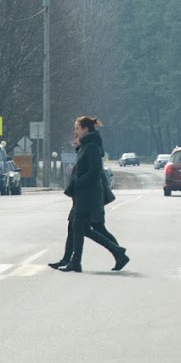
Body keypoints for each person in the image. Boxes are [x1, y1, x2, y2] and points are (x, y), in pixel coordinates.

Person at [47, 116, 129, 273]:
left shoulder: (91, 146)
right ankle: (72, 260)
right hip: (84, 195)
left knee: (82, 228)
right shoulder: (86, 145)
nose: (75, 131)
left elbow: (94, 171)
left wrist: (78, 182)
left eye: (77, 128)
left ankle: (78, 261)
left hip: (88, 195)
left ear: (85, 129)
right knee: (76, 226)